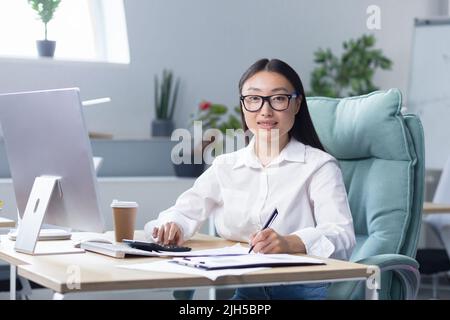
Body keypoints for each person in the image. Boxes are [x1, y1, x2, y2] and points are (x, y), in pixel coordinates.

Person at [144, 58, 356, 300]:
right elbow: (183, 212)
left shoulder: (319, 166)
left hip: (302, 290)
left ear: (296, 104)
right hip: (248, 291)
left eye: (278, 98)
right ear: (244, 106)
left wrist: (290, 242)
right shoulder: (226, 166)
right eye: (254, 99)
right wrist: (172, 226)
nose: (265, 111)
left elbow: (342, 236)